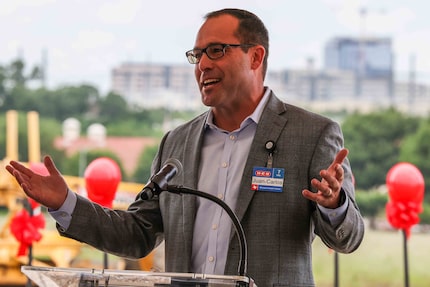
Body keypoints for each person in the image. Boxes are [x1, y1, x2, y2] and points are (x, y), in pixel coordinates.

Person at [6, 8, 364, 287]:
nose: (203, 64)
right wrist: (64, 203)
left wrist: (334, 205)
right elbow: (138, 234)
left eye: (217, 51)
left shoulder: (312, 134)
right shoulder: (176, 143)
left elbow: (349, 239)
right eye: (198, 55)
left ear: (256, 57)